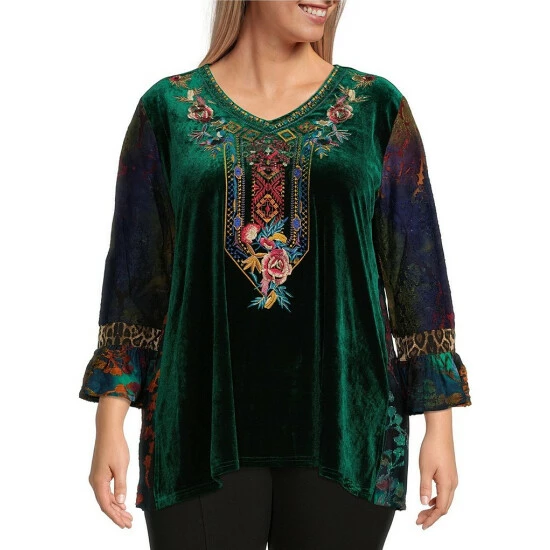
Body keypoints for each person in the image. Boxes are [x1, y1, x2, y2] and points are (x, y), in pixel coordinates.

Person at [78, 1, 472, 548]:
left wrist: (439, 426)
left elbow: (417, 271)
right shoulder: (168, 110)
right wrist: (110, 423)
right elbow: (136, 277)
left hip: (347, 426)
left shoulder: (375, 107)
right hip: (197, 427)